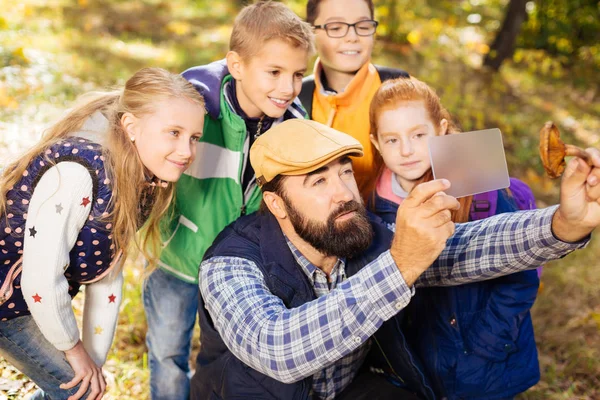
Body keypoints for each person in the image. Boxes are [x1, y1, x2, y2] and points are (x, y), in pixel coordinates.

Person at [190, 118, 599, 400]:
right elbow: (277, 348)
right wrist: (400, 265)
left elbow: (465, 246)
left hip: (349, 390)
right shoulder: (229, 263)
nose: (343, 192)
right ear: (276, 205)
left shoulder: (356, 230)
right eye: (318, 181)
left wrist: (564, 224)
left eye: (344, 173)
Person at [0, 67, 205, 400]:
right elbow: (40, 278)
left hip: (23, 302)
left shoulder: (140, 180)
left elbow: (105, 279)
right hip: (8, 300)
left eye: (194, 137)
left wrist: (92, 362)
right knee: (75, 390)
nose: (186, 151)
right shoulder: (79, 175)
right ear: (131, 127)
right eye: (174, 132)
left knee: (82, 387)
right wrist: (73, 350)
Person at [142, 2, 313, 399]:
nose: (287, 87)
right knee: (167, 355)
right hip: (178, 260)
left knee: (226, 362)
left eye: (298, 74)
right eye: (274, 72)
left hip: (241, 272)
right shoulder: (196, 111)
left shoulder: (293, 130)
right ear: (236, 65)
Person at [367, 77, 542, 399]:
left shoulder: (476, 180)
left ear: (442, 129)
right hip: (420, 368)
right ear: (376, 143)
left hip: (487, 363)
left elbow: (522, 274)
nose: (406, 150)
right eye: (391, 140)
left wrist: (487, 345)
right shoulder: (372, 206)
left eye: (419, 135)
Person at [299, 0, 409, 196]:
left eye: (363, 26)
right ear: (311, 32)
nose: (352, 37)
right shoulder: (294, 98)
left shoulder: (402, 88)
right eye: (336, 27)